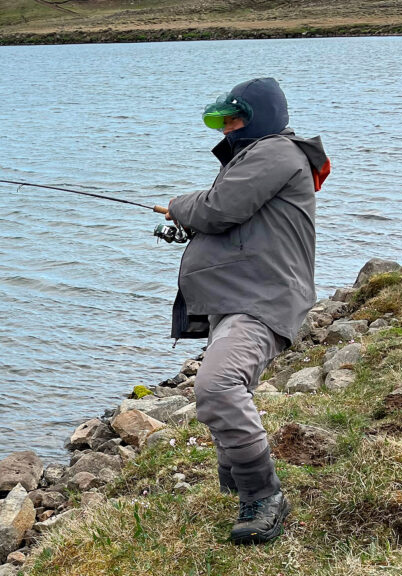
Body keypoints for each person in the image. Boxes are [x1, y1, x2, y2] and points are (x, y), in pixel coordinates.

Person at [164, 77, 330, 545]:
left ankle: (265, 497)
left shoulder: (276, 152)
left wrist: (178, 206)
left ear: (262, 119)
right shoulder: (256, 158)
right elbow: (232, 220)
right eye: (223, 121)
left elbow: (218, 209)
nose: (227, 129)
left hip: (261, 303)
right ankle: (239, 480)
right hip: (237, 300)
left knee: (216, 386)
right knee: (222, 386)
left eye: (235, 119)